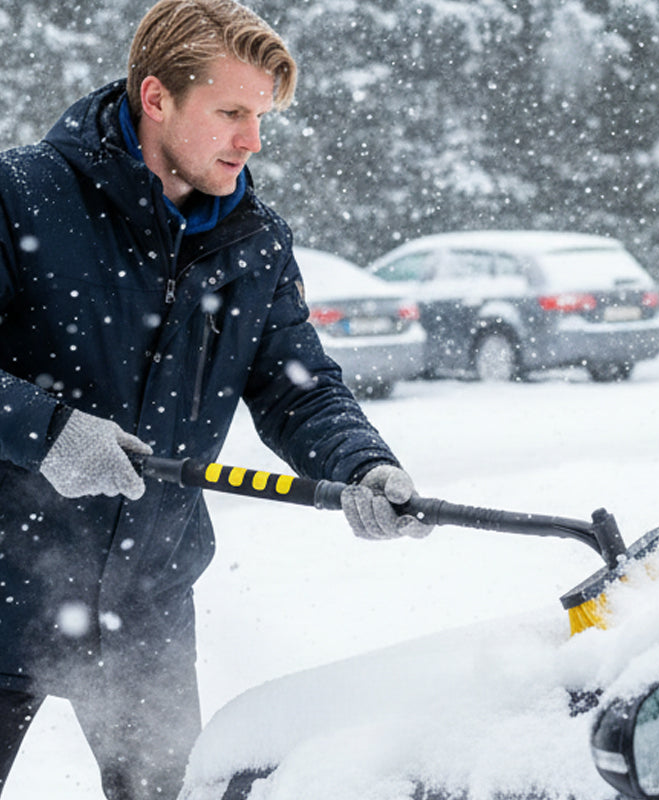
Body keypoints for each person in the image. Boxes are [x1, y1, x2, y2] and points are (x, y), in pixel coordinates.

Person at [0, 1, 432, 797]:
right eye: (232, 112)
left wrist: (363, 465)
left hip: (146, 604)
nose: (253, 140)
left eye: (261, 116)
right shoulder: (23, 196)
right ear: (157, 98)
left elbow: (297, 387)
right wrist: (49, 430)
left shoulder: (254, 240)